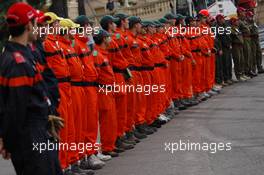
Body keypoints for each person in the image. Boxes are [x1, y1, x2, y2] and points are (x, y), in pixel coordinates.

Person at [0, 2, 62, 175]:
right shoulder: (17, 62)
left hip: (38, 132)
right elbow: (14, 109)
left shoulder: (22, 54)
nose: (39, 28)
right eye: (37, 24)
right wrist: (9, 141)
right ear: (28, 26)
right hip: (30, 138)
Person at [74, 15, 106, 170]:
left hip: (91, 86)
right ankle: (88, 154)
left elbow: (91, 62)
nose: (90, 29)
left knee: (92, 120)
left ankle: (93, 150)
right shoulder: (77, 43)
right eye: (87, 26)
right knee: (87, 122)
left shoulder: (86, 44)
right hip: (84, 86)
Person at [100, 15, 134, 152]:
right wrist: (125, 64)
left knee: (122, 109)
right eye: (113, 23)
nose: (115, 25)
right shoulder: (113, 39)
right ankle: (119, 137)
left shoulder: (115, 38)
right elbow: (116, 60)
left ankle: (121, 135)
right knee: (118, 111)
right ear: (109, 25)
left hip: (120, 74)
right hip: (117, 75)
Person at [92, 29, 119, 157]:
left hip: (108, 90)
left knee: (111, 119)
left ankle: (110, 145)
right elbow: (96, 74)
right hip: (103, 90)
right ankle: (107, 147)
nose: (110, 40)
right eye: (108, 37)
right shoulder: (97, 54)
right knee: (107, 119)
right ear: (103, 39)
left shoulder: (103, 53)